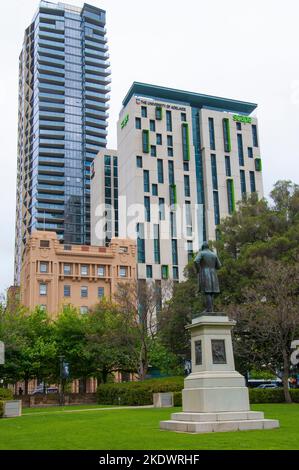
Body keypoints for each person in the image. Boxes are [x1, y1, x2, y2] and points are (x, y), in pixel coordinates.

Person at [194, 241, 221, 313]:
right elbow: (219, 266)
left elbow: (196, 261)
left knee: (207, 292)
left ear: (202, 247)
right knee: (212, 292)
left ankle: (209, 309)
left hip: (205, 273)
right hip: (213, 274)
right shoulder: (214, 254)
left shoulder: (201, 253)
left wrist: (198, 269)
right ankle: (210, 309)